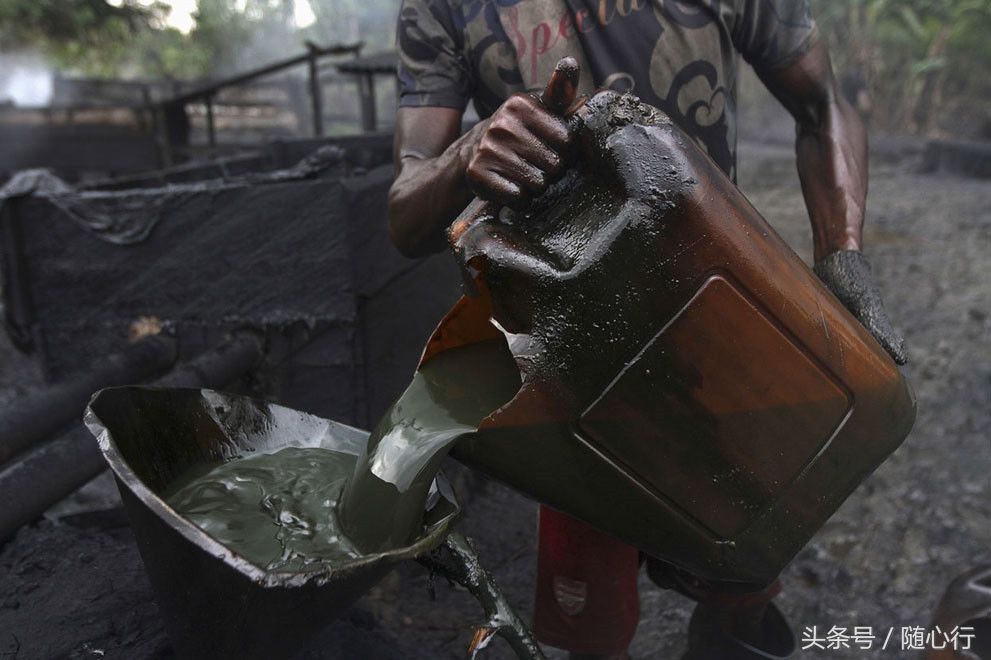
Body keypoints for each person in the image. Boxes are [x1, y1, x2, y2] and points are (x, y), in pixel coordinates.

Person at [386, 1, 907, 657]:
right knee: (590, 618)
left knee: (748, 557)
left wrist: (843, 254)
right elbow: (404, 217)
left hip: (725, 314)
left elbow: (820, 102)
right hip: (574, 352)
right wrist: (470, 146)